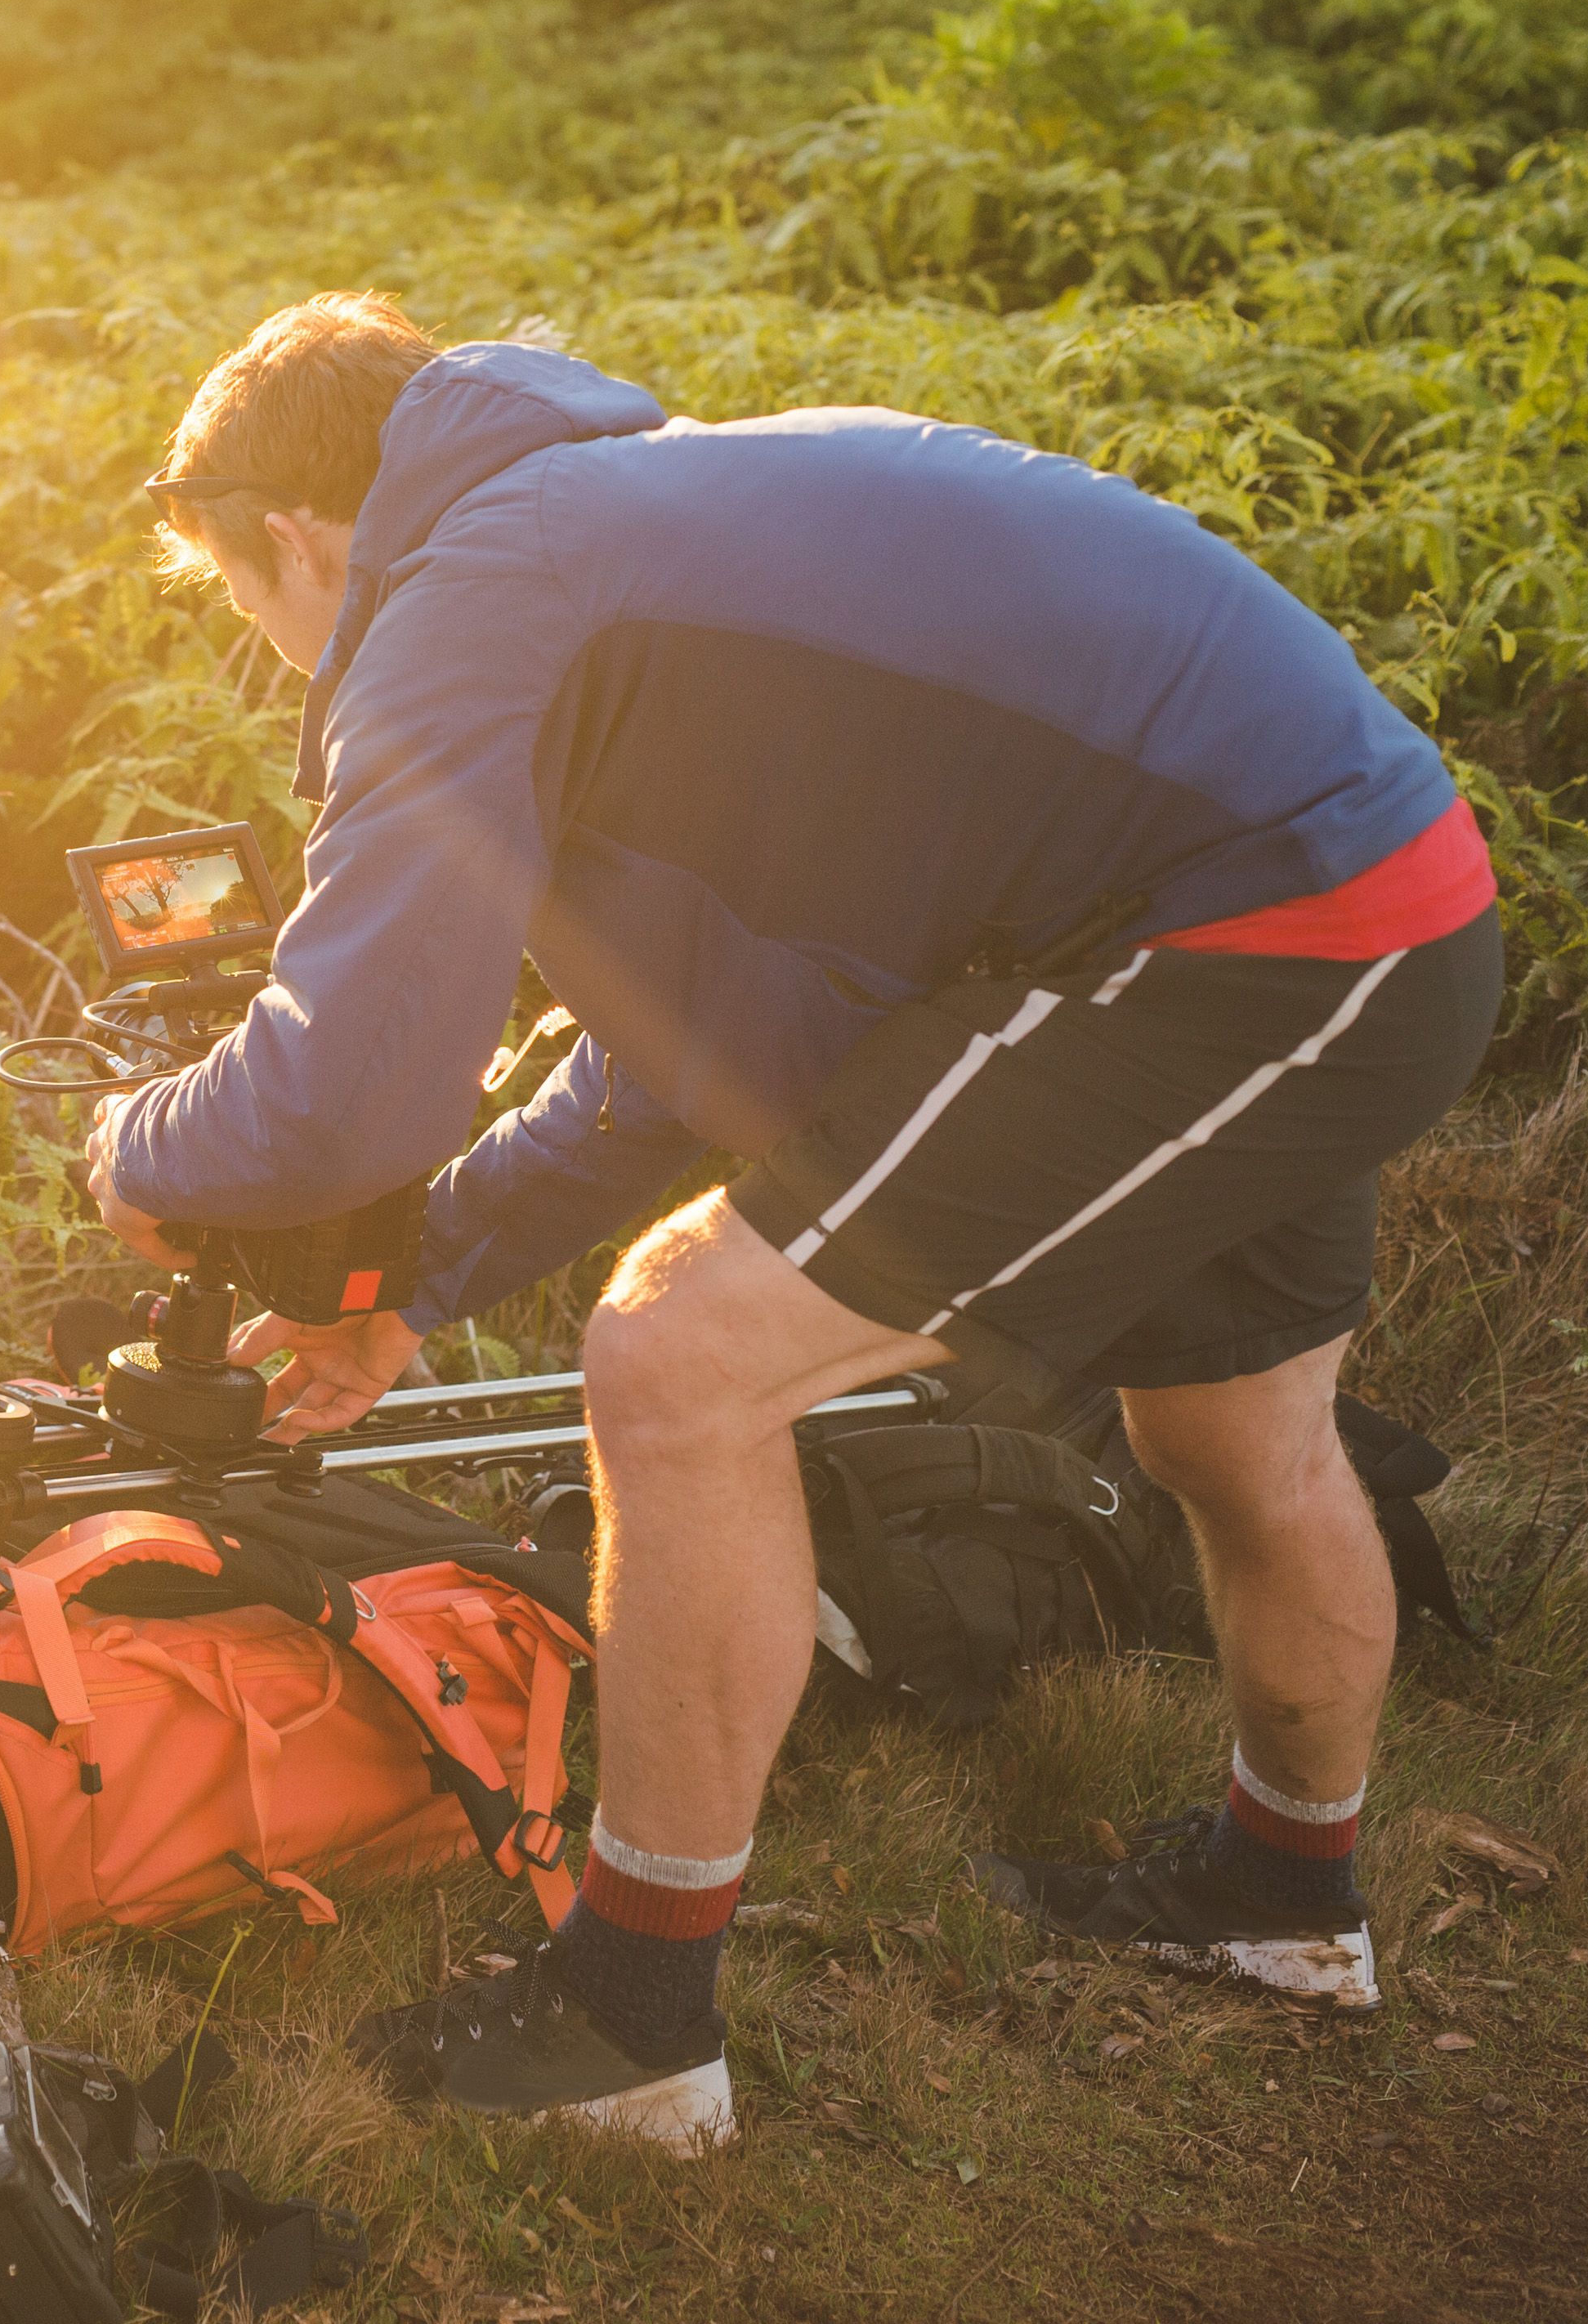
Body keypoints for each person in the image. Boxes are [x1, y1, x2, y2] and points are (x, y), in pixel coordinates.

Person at [83, 295, 1499, 2154]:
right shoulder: (635, 516)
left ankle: (628, 2019)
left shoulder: (471, 582)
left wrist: (136, 1151)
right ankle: (1282, 1896)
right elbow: (680, 1056)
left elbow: (350, 1091)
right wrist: (417, 1283)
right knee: (1235, 1426)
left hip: (1256, 938)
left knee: (680, 1360)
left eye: (239, 598)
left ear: (292, 534)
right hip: (1365, 896)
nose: (275, 651)